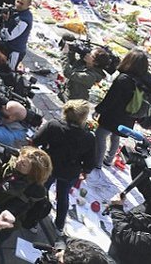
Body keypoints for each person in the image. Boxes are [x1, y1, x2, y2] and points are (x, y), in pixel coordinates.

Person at [33, 100, 96, 233]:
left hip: (48, 166)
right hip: (70, 171)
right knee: (63, 196)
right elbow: (90, 161)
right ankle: (59, 226)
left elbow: (36, 140)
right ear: (83, 118)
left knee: (41, 192)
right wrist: (85, 171)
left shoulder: (53, 125)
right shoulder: (88, 137)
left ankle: (33, 221)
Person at [93, 48, 151, 169]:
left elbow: (110, 99)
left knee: (100, 136)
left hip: (113, 115)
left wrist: (98, 109)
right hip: (129, 117)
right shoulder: (145, 80)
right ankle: (108, 160)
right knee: (116, 136)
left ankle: (97, 163)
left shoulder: (123, 79)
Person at [0, 0, 33, 70]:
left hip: (15, 51)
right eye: (17, 1)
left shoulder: (24, 20)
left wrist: (6, 22)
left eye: (22, 3)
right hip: (7, 46)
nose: (18, 5)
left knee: (9, 71)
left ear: (28, 5)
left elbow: (10, 36)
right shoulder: (16, 11)